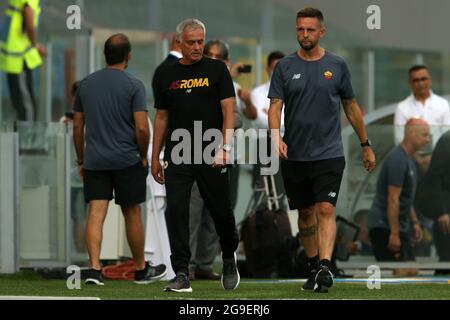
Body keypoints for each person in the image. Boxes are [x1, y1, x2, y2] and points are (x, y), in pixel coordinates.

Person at [268, 7, 376, 293]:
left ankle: (326, 266)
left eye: (310, 30)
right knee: (305, 214)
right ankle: (314, 266)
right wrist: (275, 136)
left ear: (321, 32)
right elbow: (275, 106)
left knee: (325, 208)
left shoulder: (337, 65)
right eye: (300, 29)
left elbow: (350, 107)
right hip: (295, 155)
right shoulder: (284, 67)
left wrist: (366, 145)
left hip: (329, 153)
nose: (304, 35)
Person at [152, 19, 240, 293]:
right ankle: (181, 272)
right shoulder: (166, 74)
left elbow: (229, 111)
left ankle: (228, 257)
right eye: (191, 42)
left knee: (220, 212)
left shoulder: (217, 70)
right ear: (179, 42)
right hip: (177, 153)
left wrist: (225, 149)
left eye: (201, 41)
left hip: (211, 150)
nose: (197, 47)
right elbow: (162, 117)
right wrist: (155, 156)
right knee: (176, 211)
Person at [73, 33, 167, 285]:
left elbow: (77, 126)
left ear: (105, 55)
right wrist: (143, 154)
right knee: (132, 213)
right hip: (127, 160)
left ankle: (94, 269)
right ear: (128, 56)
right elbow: (141, 127)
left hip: (95, 161)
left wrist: (81, 159)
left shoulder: (85, 84)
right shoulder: (134, 85)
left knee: (95, 212)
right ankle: (140, 269)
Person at [368, 118, 429, 275]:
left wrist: (414, 222)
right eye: (424, 135)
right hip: (384, 226)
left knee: (411, 269)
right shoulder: (398, 159)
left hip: (396, 226)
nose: (428, 140)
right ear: (410, 134)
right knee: (399, 271)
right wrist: (394, 234)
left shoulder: (409, 160)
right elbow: (393, 199)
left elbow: (404, 199)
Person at [250, 50, 287, 211]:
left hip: (287, 145)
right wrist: (279, 119)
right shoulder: (258, 93)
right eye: (274, 67)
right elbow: (258, 118)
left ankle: (281, 224)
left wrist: (270, 115)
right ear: (267, 69)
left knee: (282, 191)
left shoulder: (293, 93)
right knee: (262, 190)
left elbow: (291, 121)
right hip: (264, 145)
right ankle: (261, 224)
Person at [0, 0, 47, 121]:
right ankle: (27, 139)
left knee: (20, 104)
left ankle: (23, 138)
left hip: (13, 57)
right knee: (27, 107)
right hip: (19, 59)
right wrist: (35, 45)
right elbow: (29, 21)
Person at [415, 129, 450, 274]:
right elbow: (435, 177)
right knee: (446, 259)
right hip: (445, 209)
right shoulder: (447, 140)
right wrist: (442, 212)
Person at [394, 65, 450, 148]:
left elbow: (447, 135)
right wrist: (418, 158)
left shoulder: (443, 104)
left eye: (423, 79)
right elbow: (399, 139)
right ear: (410, 83)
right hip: (411, 158)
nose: (420, 83)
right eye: (416, 80)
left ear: (430, 80)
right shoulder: (402, 107)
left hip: (438, 155)